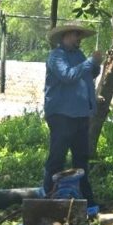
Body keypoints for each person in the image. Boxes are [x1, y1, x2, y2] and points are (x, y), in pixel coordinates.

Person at [42, 22, 101, 212]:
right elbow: (68, 75)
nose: (79, 39)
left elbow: (89, 74)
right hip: (61, 115)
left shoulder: (79, 55)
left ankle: (87, 201)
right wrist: (90, 62)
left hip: (80, 115)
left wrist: (96, 65)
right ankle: (47, 198)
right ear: (65, 37)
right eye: (76, 35)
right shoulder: (56, 56)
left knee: (81, 159)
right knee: (57, 158)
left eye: (80, 36)